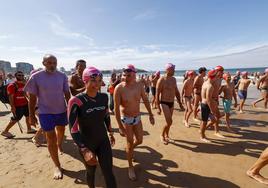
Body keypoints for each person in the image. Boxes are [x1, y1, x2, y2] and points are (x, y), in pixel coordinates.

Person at [68, 67, 117, 188]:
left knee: (108, 172)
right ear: (85, 81)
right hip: (86, 143)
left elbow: (106, 116)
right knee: (91, 171)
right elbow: (73, 129)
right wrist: (84, 149)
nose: (97, 84)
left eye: (100, 80)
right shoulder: (76, 101)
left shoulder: (103, 97)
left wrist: (110, 132)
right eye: (93, 80)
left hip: (103, 140)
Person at [24, 54, 70, 180]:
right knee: (50, 137)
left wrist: (71, 110)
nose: (52, 65)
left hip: (61, 110)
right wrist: (31, 115)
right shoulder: (36, 77)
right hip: (45, 112)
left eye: (54, 62)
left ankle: (59, 145)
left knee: (61, 130)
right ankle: (57, 165)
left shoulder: (62, 76)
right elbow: (32, 98)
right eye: (49, 62)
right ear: (43, 63)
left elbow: (67, 93)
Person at [114, 64, 155, 181]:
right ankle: (130, 167)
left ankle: (130, 150)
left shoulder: (139, 86)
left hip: (137, 118)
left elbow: (146, 100)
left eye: (129, 75)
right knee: (130, 142)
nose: (126, 77)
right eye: (124, 75)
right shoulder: (119, 88)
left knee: (140, 140)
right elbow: (116, 109)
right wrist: (120, 126)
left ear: (134, 74)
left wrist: (151, 114)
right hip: (126, 119)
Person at [1, 71, 36, 138]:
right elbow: (10, 97)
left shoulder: (23, 84)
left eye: (22, 75)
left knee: (27, 116)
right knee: (16, 118)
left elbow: (26, 93)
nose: (21, 77)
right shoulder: (12, 85)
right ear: (16, 76)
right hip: (17, 105)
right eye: (19, 75)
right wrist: (12, 106)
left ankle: (29, 129)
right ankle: (5, 131)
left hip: (25, 103)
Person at [156, 63, 184, 145]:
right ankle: (162, 135)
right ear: (167, 70)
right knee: (169, 122)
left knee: (169, 122)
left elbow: (176, 92)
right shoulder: (161, 80)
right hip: (164, 102)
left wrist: (180, 104)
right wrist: (158, 107)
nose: (174, 71)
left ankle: (167, 135)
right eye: (173, 69)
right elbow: (157, 94)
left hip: (171, 102)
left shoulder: (174, 79)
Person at [206, 66, 225, 138]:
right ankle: (207, 129)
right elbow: (207, 88)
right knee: (215, 117)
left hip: (215, 99)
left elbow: (217, 91)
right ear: (217, 71)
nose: (223, 72)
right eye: (221, 71)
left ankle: (215, 131)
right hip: (211, 100)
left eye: (223, 71)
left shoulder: (220, 79)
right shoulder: (212, 79)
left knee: (217, 116)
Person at [199, 70, 218, 143]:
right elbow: (208, 99)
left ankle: (201, 132)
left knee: (213, 120)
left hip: (204, 104)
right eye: (216, 76)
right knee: (204, 122)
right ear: (214, 77)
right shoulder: (210, 86)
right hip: (206, 105)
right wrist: (212, 110)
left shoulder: (205, 82)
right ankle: (202, 136)